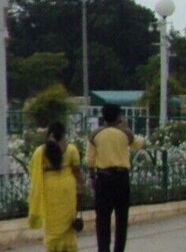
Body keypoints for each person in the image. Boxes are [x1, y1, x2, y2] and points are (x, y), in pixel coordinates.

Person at [89, 103, 143, 252]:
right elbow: (138, 145)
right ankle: (119, 249)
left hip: (103, 179)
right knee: (121, 218)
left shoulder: (95, 135)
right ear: (119, 116)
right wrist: (126, 128)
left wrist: (92, 176)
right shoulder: (125, 134)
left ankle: (103, 249)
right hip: (121, 178)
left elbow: (90, 159)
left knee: (102, 219)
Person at [28, 122, 84, 252]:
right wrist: (81, 185)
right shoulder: (71, 149)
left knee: (52, 222)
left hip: (49, 188)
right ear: (63, 135)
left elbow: (32, 169)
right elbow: (76, 170)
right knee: (68, 221)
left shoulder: (40, 152)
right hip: (67, 188)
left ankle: (53, 247)